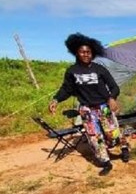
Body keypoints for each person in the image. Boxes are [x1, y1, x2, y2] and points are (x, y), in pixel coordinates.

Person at [49, 33, 130, 176]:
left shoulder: (99, 69)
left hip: (103, 106)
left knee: (112, 134)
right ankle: (105, 162)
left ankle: (123, 147)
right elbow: (66, 89)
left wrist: (112, 98)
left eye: (88, 52)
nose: (86, 54)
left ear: (92, 53)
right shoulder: (72, 71)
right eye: (82, 52)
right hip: (86, 109)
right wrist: (56, 100)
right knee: (94, 137)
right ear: (76, 53)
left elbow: (114, 87)